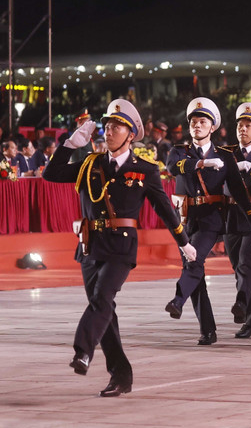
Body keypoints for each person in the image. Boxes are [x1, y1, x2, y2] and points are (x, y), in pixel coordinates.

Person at [43, 98, 195, 397]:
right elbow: (51, 174)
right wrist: (69, 145)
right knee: (105, 312)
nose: (109, 131)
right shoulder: (90, 164)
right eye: (108, 126)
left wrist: (184, 242)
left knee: (101, 298)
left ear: (130, 134)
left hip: (121, 248)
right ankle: (121, 375)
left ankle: (83, 352)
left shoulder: (146, 169)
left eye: (116, 127)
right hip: (90, 246)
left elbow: (165, 209)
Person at [165, 97, 251, 345]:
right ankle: (207, 330)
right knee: (195, 271)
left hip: (211, 220)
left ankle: (178, 300)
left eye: (203, 122)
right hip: (186, 220)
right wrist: (200, 163)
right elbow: (172, 167)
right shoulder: (179, 151)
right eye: (194, 122)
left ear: (213, 128)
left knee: (194, 258)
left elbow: (239, 193)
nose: (197, 126)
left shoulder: (225, 155)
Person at [223, 103, 251, 338]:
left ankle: (242, 305)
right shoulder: (227, 154)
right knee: (237, 268)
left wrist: (242, 175)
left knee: (246, 265)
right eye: (240, 124)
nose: (242, 129)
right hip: (232, 217)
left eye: (248, 125)